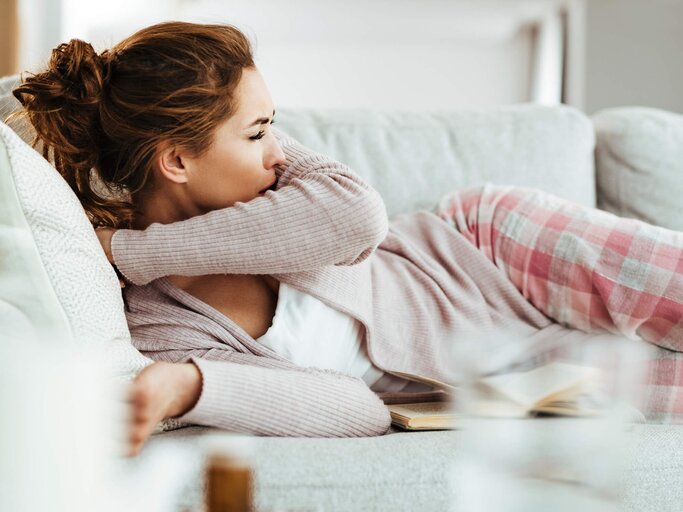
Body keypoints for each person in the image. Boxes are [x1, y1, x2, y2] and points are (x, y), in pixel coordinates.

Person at [13, 21, 683, 457]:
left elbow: (358, 220)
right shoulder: (164, 330)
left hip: (491, 250)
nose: (278, 150)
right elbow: (355, 409)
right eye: (256, 132)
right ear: (177, 161)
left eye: (274, 125)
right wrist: (191, 386)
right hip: (508, 375)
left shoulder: (276, 185)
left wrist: (133, 253)